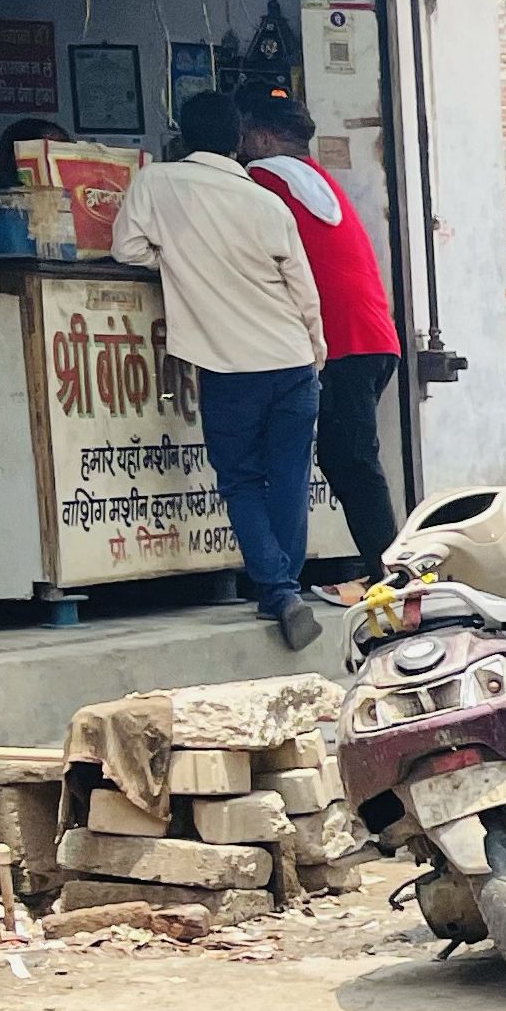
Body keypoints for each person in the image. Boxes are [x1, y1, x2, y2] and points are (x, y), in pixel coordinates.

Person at [110, 93, 326, 647]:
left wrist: (177, 261)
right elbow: (302, 287)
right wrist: (316, 346)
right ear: (237, 140)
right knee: (290, 478)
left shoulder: (156, 183)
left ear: (181, 134)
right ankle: (286, 587)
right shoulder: (264, 202)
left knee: (241, 480)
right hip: (291, 357)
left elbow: (126, 248)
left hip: (230, 366)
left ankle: (278, 591)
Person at [235, 93, 404, 576]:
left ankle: (392, 573)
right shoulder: (319, 180)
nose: (241, 147)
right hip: (372, 337)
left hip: (341, 342)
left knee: (350, 460)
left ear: (264, 138)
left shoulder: (265, 179)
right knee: (345, 457)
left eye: (245, 136)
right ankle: (383, 567)